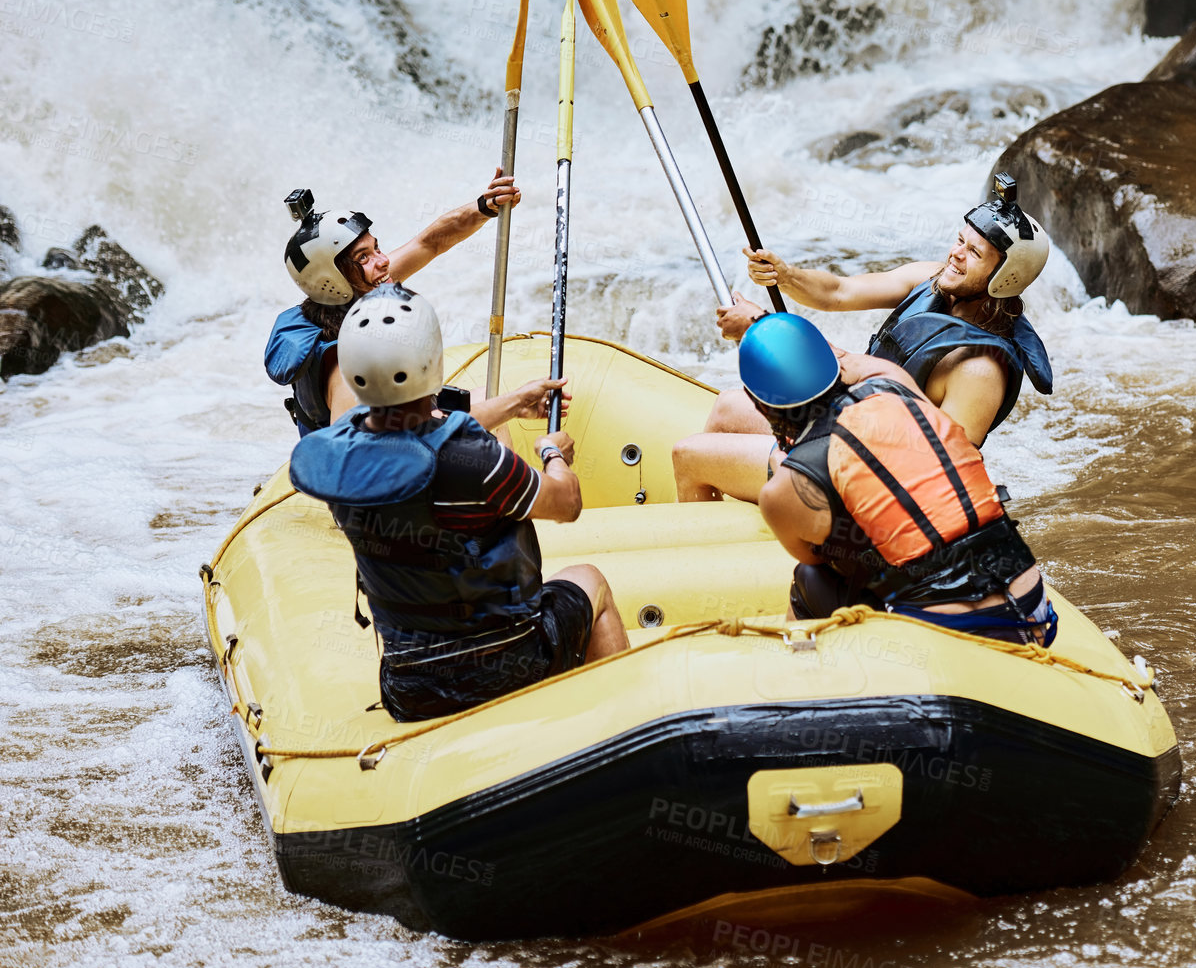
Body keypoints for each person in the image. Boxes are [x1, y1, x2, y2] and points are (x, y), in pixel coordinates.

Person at [289, 284, 627, 722]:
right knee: (589, 579)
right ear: (430, 359)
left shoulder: (335, 456)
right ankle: (615, 722)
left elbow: (417, 431)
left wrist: (512, 404)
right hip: (510, 664)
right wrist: (553, 453)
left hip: (409, 685)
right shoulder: (476, 460)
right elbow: (566, 503)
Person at [672, 174, 1055, 503]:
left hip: (863, 478)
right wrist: (786, 275)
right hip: (844, 431)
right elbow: (838, 291)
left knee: (688, 455)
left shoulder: (980, 369)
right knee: (726, 407)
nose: (956, 255)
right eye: (959, 240)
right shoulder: (935, 280)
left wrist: (759, 325)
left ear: (1006, 276)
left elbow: (946, 472)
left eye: (974, 252)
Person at [741, 312, 1058, 647]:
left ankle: (806, 681)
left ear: (759, 406)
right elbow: (850, 364)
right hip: (1033, 607)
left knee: (812, 579)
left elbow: (813, 556)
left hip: (954, 633)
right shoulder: (895, 383)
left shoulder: (784, 489)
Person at [265, 171, 555, 436]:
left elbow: (430, 243)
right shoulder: (343, 367)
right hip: (375, 466)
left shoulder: (362, 288)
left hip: (391, 426)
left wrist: (483, 206)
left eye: (375, 247)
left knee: (488, 400)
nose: (384, 261)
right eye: (363, 257)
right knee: (492, 415)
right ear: (332, 279)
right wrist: (515, 403)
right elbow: (353, 453)